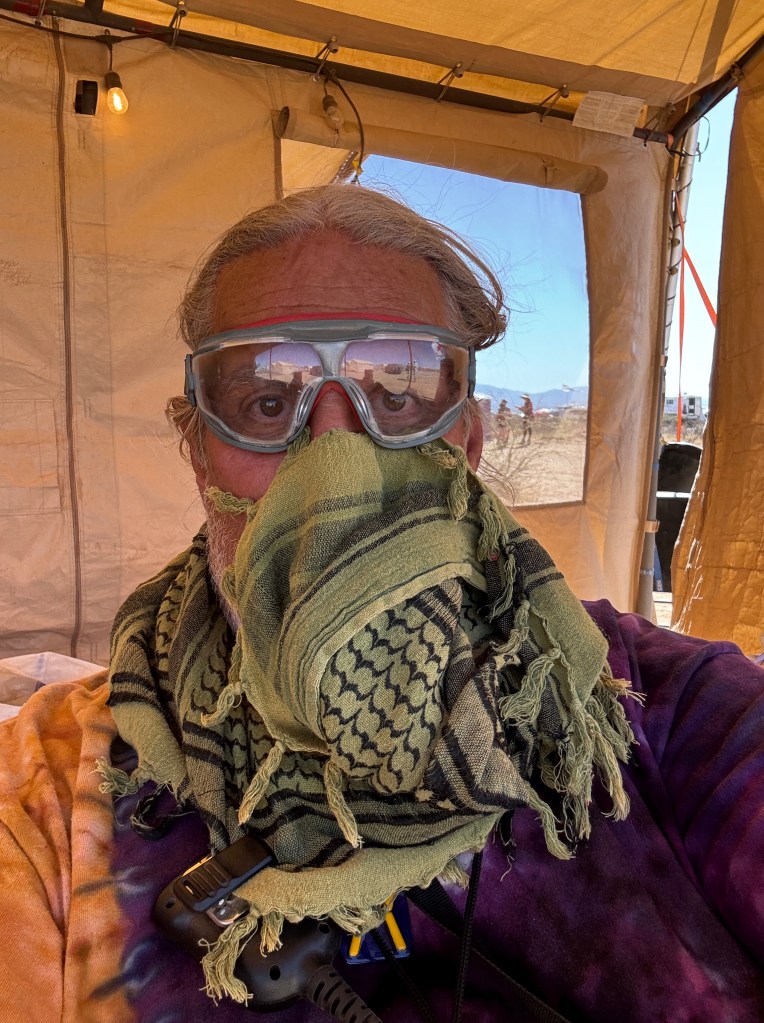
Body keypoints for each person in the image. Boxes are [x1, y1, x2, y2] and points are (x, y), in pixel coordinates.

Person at [0, 185, 762, 1023]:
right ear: (199, 453)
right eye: (266, 402)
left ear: (468, 441)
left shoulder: (649, 709)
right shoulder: (52, 793)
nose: (334, 450)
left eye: (395, 394)